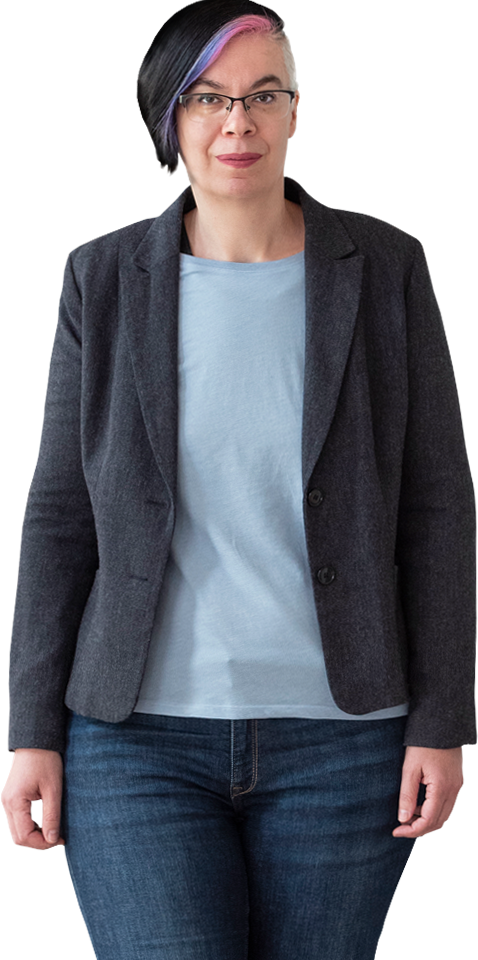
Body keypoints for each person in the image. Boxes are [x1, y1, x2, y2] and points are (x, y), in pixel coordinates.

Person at [2, 2, 475, 958]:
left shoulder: (382, 269)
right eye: (208, 98)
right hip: (135, 740)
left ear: (296, 112)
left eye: (263, 95)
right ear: (170, 120)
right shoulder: (105, 279)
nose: (237, 122)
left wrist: (445, 721)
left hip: (346, 741)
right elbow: (60, 516)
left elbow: (437, 508)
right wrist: (29, 733)